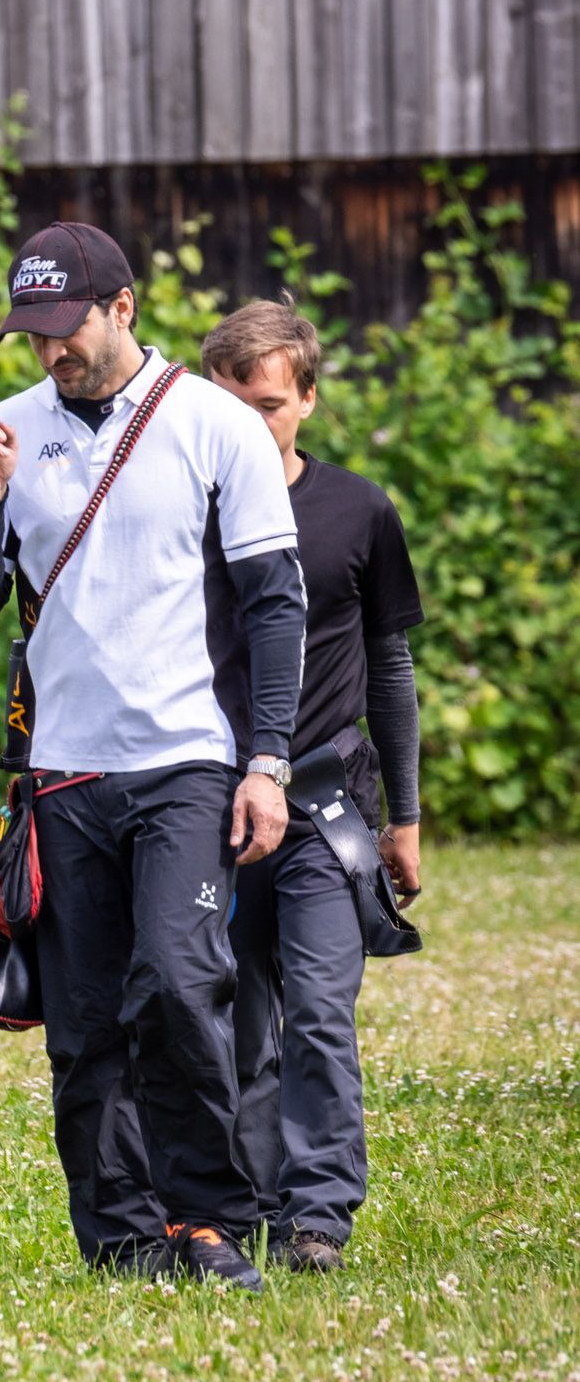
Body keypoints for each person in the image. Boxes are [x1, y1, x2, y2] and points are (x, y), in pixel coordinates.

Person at [0, 222, 306, 1290]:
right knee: (85, 1019)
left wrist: (267, 761)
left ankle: (208, 1219)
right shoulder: (8, 428)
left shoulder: (213, 424)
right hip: (62, 772)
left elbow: (275, 605)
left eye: (67, 327)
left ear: (123, 308)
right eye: (32, 334)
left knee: (180, 985)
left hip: (187, 758)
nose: (51, 350)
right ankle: (122, 1240)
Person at [201, 300, 423, 1273]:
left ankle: (318, 1216)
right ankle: (249, 1203)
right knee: (235, 1013)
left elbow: (390, 667)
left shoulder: (358, 511)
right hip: (211, 798)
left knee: (320, 1009)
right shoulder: (188, 510)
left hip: (328, 801)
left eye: (268, 404)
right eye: (230, 405)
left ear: (307, 400)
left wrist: (404, 816)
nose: (250, 425)